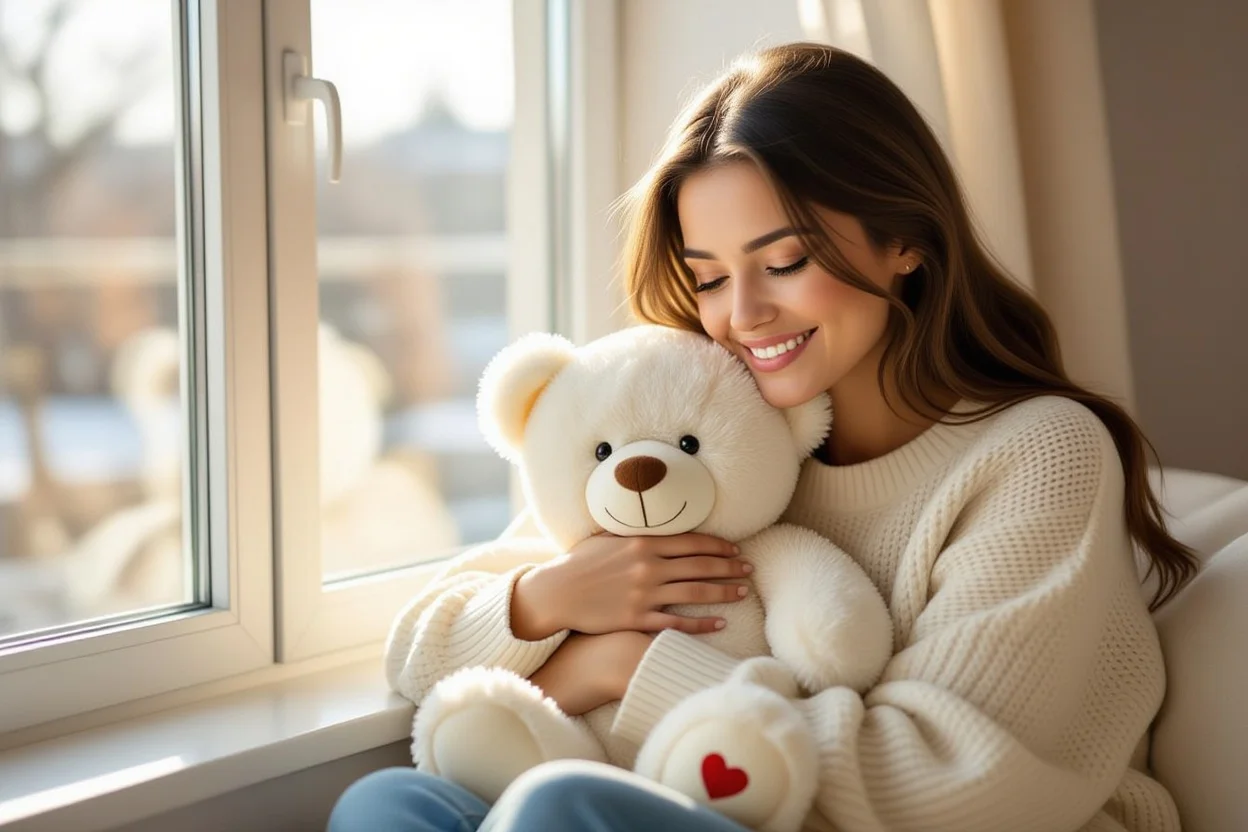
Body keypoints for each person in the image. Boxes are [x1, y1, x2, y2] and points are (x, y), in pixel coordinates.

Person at [328, 42, 1197, 832]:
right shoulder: (710, 425)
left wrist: (631, 666)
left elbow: (948, 785)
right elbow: (428, 652)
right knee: (390, 804)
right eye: (709, 278)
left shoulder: (1038, 453)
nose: (741, 317)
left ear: (904, 240)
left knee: (560, 808)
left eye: (784, 263)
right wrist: (547, 601)